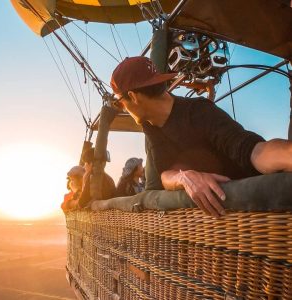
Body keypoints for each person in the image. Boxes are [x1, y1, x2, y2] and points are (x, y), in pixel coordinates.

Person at [110, 56, 292, 217]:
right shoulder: (151, 126)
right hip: (220, 223)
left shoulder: (199, 112)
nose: (123, 109)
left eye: (120, 103)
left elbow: (251, 149)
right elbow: (165, 172)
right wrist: (184, 177)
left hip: (260, 212)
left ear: (132, 97)